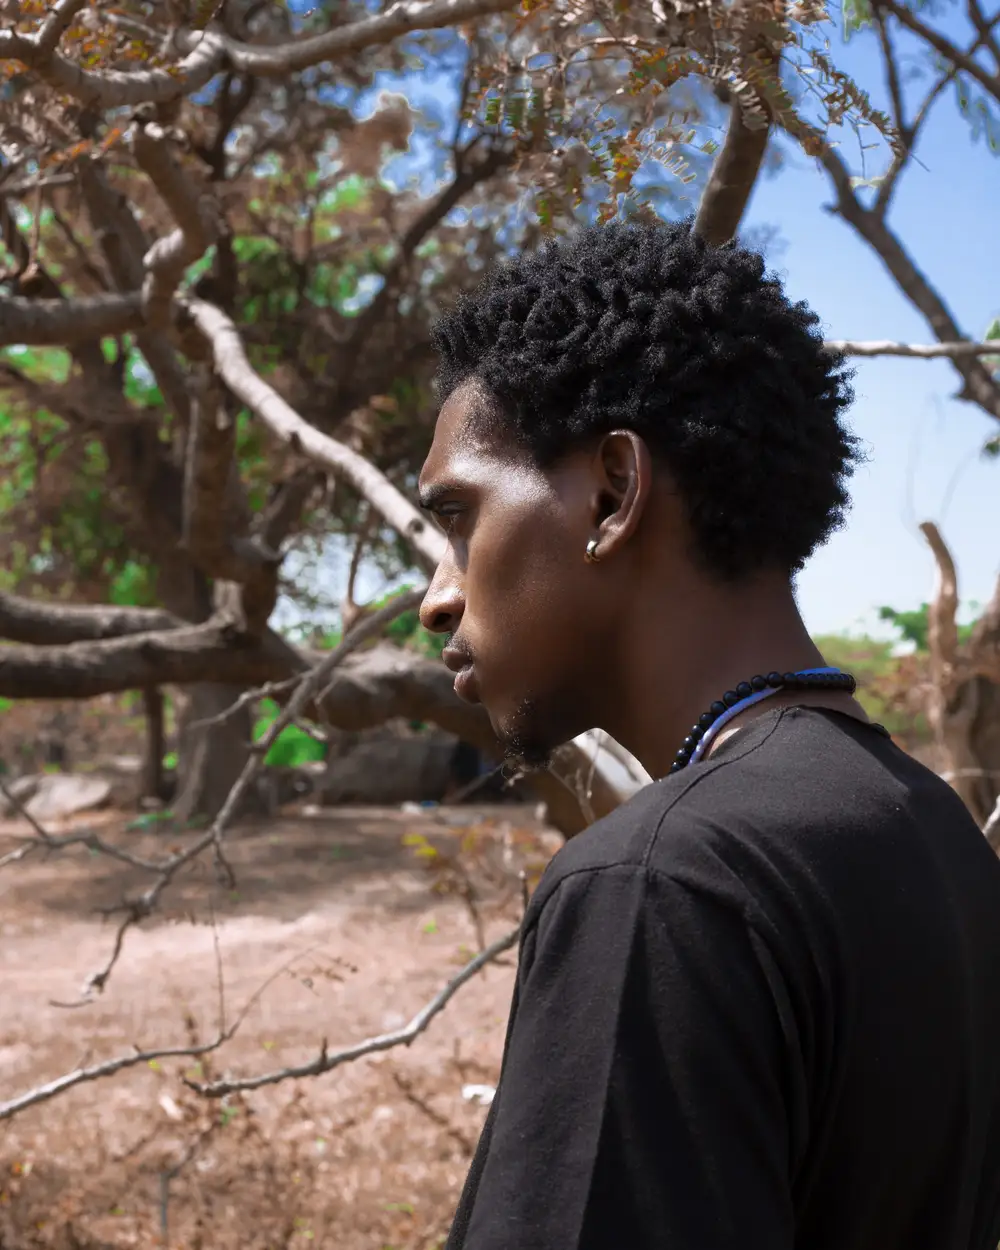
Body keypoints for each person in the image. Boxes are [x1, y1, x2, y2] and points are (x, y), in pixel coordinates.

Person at [416, 218, 1000, 1250]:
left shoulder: (663, 885)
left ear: (610, 491)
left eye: (458, 517)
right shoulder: (934, 830)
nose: (435, 596)